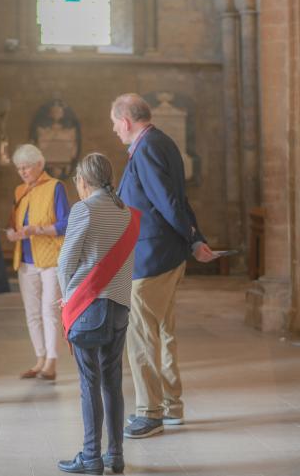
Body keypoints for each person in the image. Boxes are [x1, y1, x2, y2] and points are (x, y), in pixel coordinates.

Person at [111, 93, 218, 438]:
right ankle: (171, 406)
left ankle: (150, 411)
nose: (114, 130)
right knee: (165, 332)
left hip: (151, 257)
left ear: (126, 121)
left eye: (115, 124)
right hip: (167, 254)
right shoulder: (165, 143)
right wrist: (196, 238)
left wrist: (192, 239)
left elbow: (167, 201)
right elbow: (178, 199)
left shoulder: (147, 148)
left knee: (140, 334)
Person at [56, 153, 139, 475]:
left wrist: (66, 299)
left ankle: (91, 457)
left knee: (89, 382)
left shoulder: (84, 209)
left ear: (83, 181)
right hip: (120, 305)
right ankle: (114, 456)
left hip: (89, 306)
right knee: (112, 382)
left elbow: (65, 263)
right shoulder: (128, 214)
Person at [6, 144, 69, 380]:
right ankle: (40, 358)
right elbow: (15, 223)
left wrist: (38, 229)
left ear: (40, 165)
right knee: (32, 312)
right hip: (25, 259)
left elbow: (66, 223)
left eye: (27, 167)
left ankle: (51, 361)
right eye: (19, 168)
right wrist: (13, 234)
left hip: (50, 258)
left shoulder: (55, 187)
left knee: (50, 310)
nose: (23, 172)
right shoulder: (19, 190)